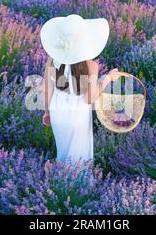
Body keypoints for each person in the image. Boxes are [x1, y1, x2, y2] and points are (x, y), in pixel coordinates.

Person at [40, 14, 120, 164]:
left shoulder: (52, 60)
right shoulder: (91, 66)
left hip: (57, 111)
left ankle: (60, 181)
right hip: (78, 115)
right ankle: (76, 185)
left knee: (62, 152)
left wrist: (47, 112)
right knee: (79, 156)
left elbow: (46, 89)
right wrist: (108, 78)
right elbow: (90, 98)